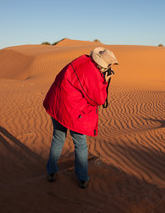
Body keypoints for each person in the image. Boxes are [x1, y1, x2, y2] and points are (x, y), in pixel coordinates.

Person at [43, 47, 119, 189]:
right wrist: (105, 81)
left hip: (57, 104)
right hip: (72, 111)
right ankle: (83, 178)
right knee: (81, 144)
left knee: (58, 138)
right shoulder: (93, 75)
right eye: (107, 66)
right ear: (101, 64)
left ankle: (51, 172)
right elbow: (99, 100)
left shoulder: (81, 60)